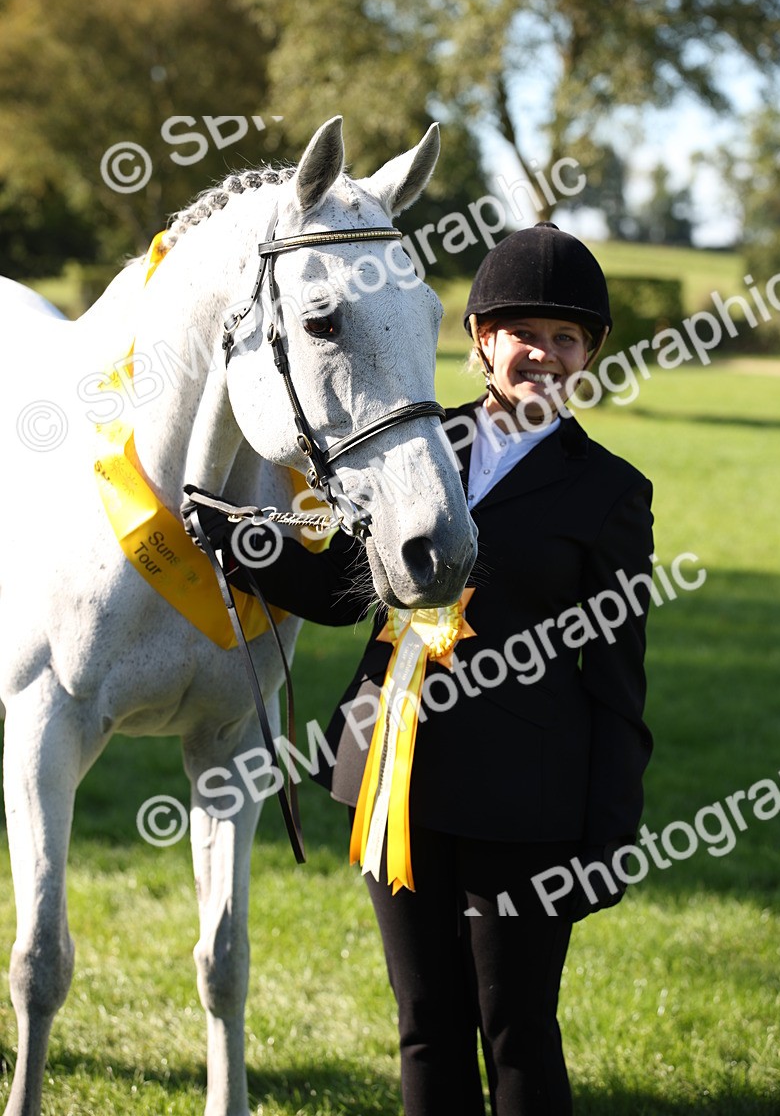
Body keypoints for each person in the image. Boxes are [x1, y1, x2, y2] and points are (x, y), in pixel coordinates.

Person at [186, 221, 654, 1115]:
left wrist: (608, 833)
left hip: (525, 808)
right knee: (425, 1023)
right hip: (392, 782)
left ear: (589, 355)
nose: (544, 356)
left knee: (517, 1029)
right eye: (526, 334)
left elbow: (617, 678)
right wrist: (246, 541)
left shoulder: (611, 491)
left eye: (568, 340)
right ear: (482, 341)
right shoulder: (416, 443)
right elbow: (340, 589)